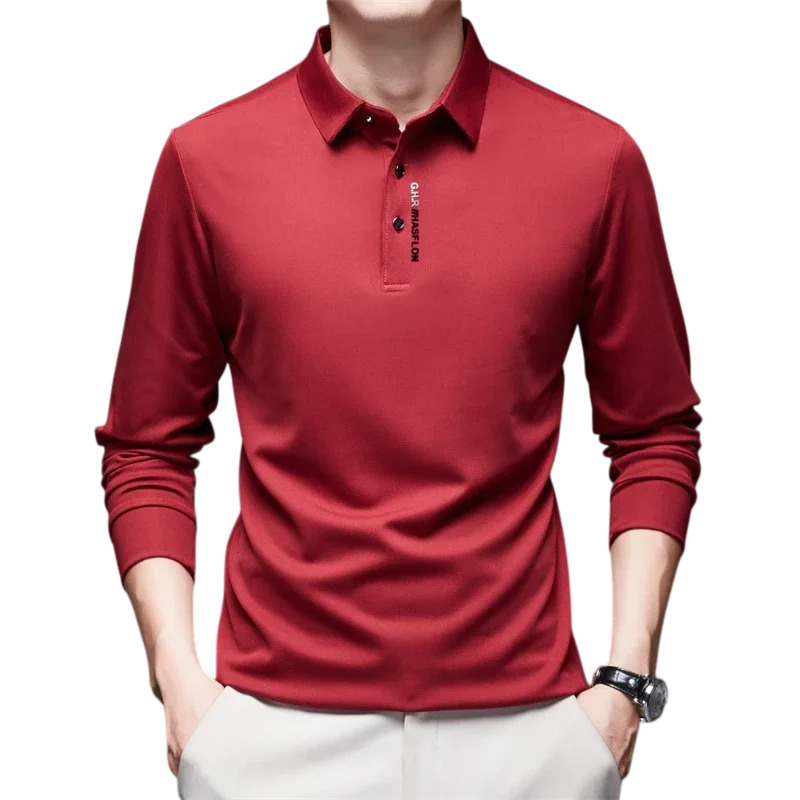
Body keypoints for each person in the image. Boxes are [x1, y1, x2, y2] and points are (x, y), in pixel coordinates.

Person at [94, 1, 702, 798]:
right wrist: (180, 685)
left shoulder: (595, 159)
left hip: (530, 737)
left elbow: (654, 432)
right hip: (269, 735)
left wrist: (624, 682)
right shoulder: (205, 160)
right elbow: (148, 443)